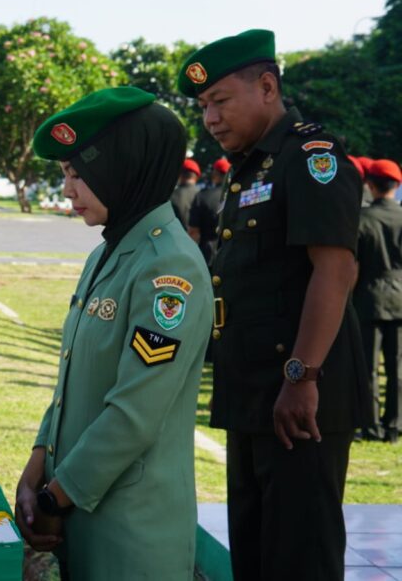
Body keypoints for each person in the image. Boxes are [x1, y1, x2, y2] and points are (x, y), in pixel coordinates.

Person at [178, 29, 366, 581]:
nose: (209, 119)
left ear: (266, 86)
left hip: (301, 399)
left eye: (219, 101)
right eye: (203, 106)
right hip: (257, 394)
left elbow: (336, 270)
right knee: (257, 558)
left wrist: (301, 376)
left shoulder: (309, 157)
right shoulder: (253, 167)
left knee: (299, 559)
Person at [14, 86, 212, 579]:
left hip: (131, 534)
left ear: (123, 169)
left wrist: (52, 498)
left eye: (79, 174)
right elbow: (71, 383)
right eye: (65, 175)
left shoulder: (169, 269)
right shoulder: (107, 254)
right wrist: (37, 466)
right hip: (79, 516)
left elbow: (133, 414)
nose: (67, 191)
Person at [354, 158, 402, 443]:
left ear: (369, 186)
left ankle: (370, 425)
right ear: (396, 186)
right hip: (399, 298)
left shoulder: (362, 218)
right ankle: (394, 425)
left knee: (368, 368)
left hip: (369, 297)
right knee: (396, 367)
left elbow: (354, 266)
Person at [188, 157, 231, 264]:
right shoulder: (238, 195)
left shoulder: (203, 196)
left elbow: (193, 232)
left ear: (215, 173)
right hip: (231, 255)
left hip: (207, 255)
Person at [170, 158, 201, 229]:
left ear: (180, 175)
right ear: (197, 177)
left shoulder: (170, 196)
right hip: (196, 239)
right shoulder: (204, 196)